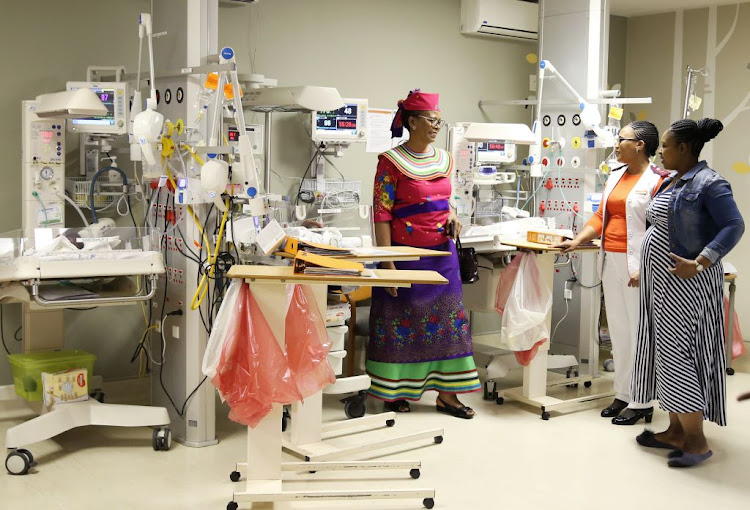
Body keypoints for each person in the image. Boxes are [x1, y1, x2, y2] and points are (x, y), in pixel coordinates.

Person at [631, 118, 744, 467]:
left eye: (665, 146)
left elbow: (734, 225)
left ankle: (695, 441)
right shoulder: (674, 180)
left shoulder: (710, 182)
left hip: (687, 286)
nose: (660, 152)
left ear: (683, 148)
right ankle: (676, 430)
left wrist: (701, 261)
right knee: (665, 352)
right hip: (663, 286)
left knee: (681, 355)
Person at [367, 89, 481, 419]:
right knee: (401, 324)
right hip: (404, 257)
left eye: (438, 120)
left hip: (442, 258)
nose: (435, 126)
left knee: (449, 323)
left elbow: (448, 200)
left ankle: (448, 395)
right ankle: (394, 393)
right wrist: (388, 265)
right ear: (412, 122)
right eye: (431, 120)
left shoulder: (445, 159)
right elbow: (382, 215)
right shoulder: (390, 163)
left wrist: (454, 216)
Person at [556, 121, 667, 425]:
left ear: (640, 144)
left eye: (622, 139)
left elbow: (662, 228)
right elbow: (601, 216)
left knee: (639, 333)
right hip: (611, 261)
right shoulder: (616, 176)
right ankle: (623, 392)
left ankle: (642, 400)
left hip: (639, 267)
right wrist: (578, 239)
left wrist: (646, 266)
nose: (616, 145)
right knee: (618, 331)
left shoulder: (658, 179)